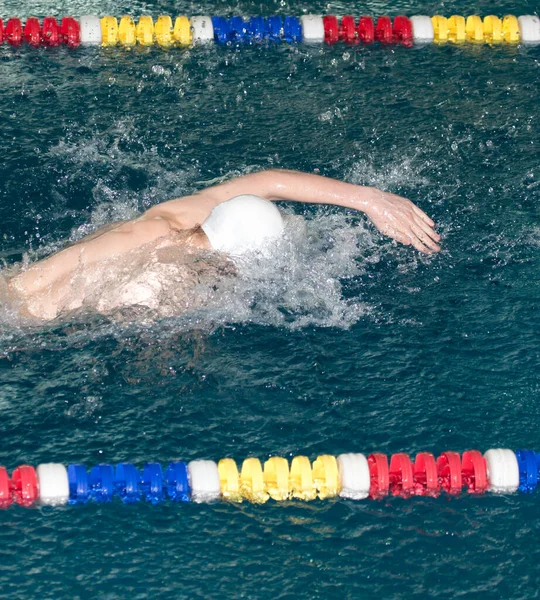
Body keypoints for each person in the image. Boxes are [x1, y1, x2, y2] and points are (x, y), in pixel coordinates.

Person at [5, 169, 440, 321]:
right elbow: (32, 288)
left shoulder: (182, 216)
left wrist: (370, 200)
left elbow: (268, 183)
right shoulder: (160, 275)